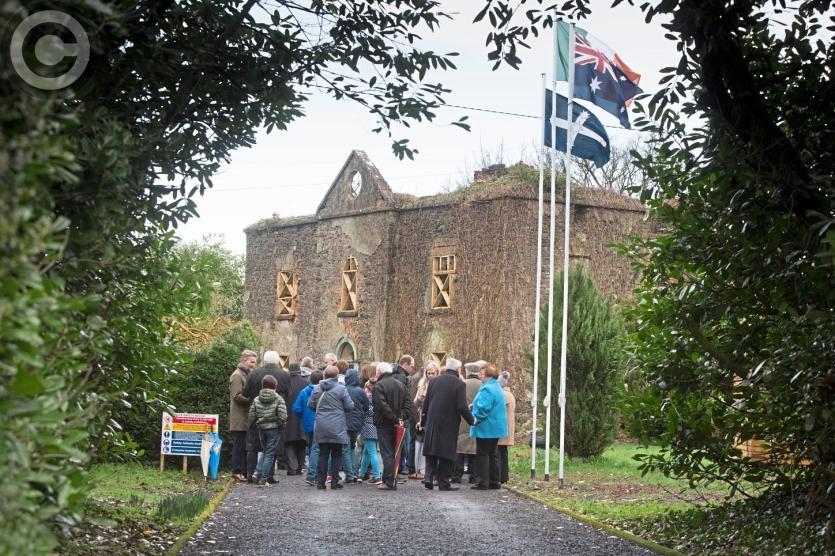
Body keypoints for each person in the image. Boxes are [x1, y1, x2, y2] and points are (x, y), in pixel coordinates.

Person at [421, 358, 473, 491]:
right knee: (446, 452)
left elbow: (426, 402)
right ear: (457, 370)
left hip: (432, 420)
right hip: (449, 423)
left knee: (432, 450)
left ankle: (428, 478)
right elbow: (462, 406)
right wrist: (472, 421)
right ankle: (443, 482)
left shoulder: (434, 381)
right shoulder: (459, 384)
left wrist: (423, 420)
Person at [242, 351, 290, 481]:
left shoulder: (254, 373)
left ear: (264, 360)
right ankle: (268, 476)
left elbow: (245, 393)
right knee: (271, 448)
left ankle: (250, 474)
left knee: (252, 447)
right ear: (277, 361)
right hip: (275, 418)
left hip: (257, 416)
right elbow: (288, 395)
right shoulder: (285, 375)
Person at [308, 366, 354, 490]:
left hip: (321, 425)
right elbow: (349, 406)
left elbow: (310, 405)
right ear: (337, 376)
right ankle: (334, 482)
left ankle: (320, 482)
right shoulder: (341, 389)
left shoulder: (317, 388)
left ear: (324, 375)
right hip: (337, 426)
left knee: (322, 454)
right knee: (337, 454)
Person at [372, 362, 412, 490]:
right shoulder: (401, 385)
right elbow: (408, 404)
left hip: (384, 423)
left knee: (387, 453)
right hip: (398, 423)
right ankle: (391, 479)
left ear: (379, 372)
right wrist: (401, 418)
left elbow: (382, 406)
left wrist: (395, 418)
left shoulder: (378, 386)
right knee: (396, 452)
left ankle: (389, 481)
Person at [469, 363, 508, 490]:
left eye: (481, 372)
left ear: (485, 374)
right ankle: (494, 481)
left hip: (486, 427)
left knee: (482, 454)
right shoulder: (496, 386)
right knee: (492, 454)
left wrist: (475, 419)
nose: (480, 374)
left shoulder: (487, 389)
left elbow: (483, 408)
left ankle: (482, 482)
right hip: (495, 427)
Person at [248, 375, 288, 486]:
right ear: (275, 386)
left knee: (265, 451)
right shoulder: (278, 398)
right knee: (270, 453)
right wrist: (281, 425)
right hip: (274, 429)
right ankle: (263, 478)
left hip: (261, 428)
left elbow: (251, 415)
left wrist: (255, 424)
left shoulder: (257, 399)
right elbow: (282, 415)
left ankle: (257, 472)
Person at [229, 349, 257, 482]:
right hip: (240, 417)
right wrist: (252, 400)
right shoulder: (237, 375)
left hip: (245, 416)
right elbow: (236, 396)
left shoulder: (245, 374)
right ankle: (237, 471)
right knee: (239, 445)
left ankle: (244, 472)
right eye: (252, 362)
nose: (253, 365)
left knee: (245, 445)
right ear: (244, 361)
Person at [454, 361, 484, 483]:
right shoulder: (482, 385)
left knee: (460, 447)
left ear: (467, 372)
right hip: (477, 418)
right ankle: (474, 475)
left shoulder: (461, 384)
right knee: (474, 447)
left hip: (462, 418)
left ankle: (457, 475)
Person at [412, 361, 439, 480]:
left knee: (432, 444)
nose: (430, 375)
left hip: (435, 416)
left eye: (433, 373)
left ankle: (431, 471)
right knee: (422, 443)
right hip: (423, 414)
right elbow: (416, 400)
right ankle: (421, 469)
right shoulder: (422, 383)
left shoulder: (439, 384)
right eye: (428, 373)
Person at [295, 370, 323, 486]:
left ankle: (313, 473)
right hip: (321, 423)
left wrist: (304, 416)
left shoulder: (303, 392)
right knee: (320, 449)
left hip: (307, 424)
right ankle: (316, 474)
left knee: (312, 448)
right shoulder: (323, 391)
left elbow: (296, 408)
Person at [342, 367, 369, 483]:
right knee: (352, 447)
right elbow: (366, 407)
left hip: (343, 422)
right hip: (357, 423)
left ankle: (349, 474)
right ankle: (353, 471)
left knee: (346, 449)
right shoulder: (360, 391)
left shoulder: (342, 389)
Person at [284, 362, 309, 475]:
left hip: (288, 416)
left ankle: (292, 467)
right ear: (299, 371)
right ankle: (299, 466)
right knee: (301, 442)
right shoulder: (306, 383)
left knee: (289, 442)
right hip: (302, 417)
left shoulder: (285, 382)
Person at [357, 376, 382, 484]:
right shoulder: (379, 399)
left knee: (371, 452)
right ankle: (361, 474)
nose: (365, 390)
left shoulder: (366, 399)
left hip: (367, 427)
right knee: (367, 452)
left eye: (366, 388)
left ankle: (377, 475)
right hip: (376, 427)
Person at [497, 370, 516, 484]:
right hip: (509, 427)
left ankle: (500, 476)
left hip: (502, 427)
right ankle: (504, 476)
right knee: (503, 452)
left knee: (498, 452)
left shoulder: (502, 395)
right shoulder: (510, 394)